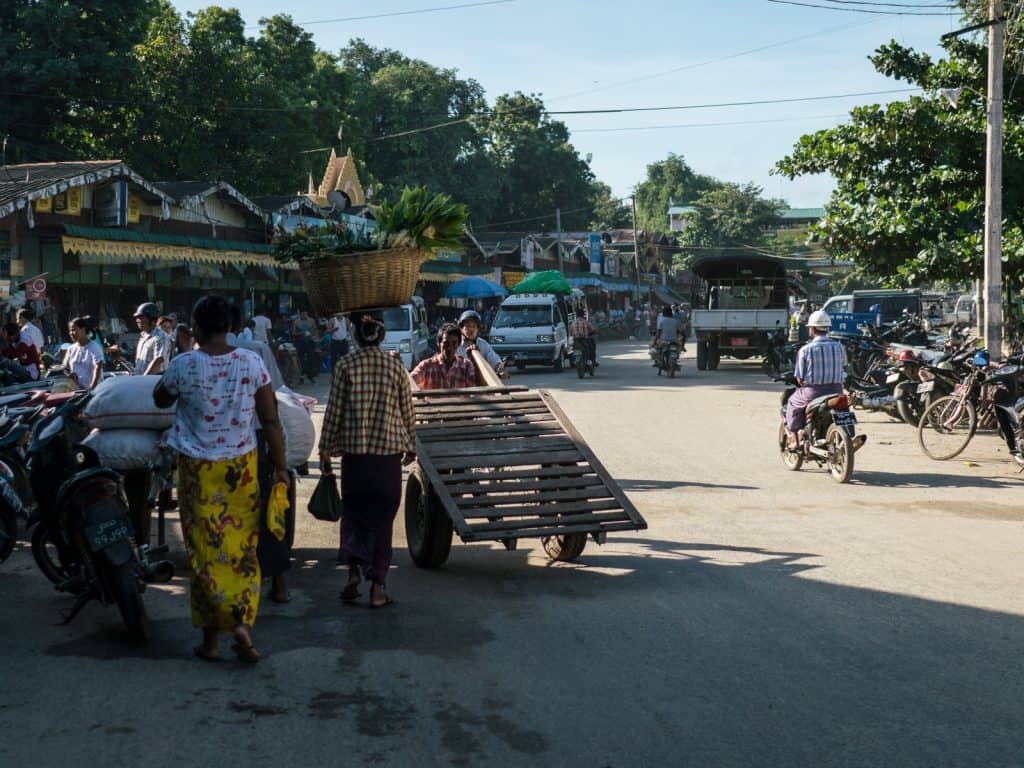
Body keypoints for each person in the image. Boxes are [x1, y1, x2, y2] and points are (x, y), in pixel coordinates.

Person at [153, 295, 287, 664]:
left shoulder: (183, 365)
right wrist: (281, 466)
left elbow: (160, 398)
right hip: (240, 469)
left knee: (204, 554)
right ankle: (240, 624)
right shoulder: (251, 361)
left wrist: (181, 353)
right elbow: (271, 420)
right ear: (229, 326)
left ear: (195, 328)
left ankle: (212, 641)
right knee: (241, 550)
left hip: (197, 472)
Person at [319, 314, 416, 609]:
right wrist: (410, 444)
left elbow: (334, 411)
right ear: (382, 336)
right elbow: (406, 410)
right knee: (383, 523)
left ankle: (352, 575)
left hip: (355, 460)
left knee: (354, 516)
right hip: (387, 460)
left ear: (356, 337)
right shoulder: (395, 366)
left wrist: (324, 449)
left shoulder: (345, 366)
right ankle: (377, 588)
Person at [785, 310, 847, 449]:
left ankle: (794, 439)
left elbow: (800, 379)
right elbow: (844, 367)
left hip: (814, 393)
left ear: (812, 329)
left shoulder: (806, 350)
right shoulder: (839, 347)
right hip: (837, 390)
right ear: (827, 328)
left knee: (792, 403)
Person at [412, 323, 477, 390]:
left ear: (459, 344)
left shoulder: (466, 365)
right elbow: (410, 382)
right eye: (446, 343)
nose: (450, 348)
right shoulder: (426, 366)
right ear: (438, 343)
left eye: (454, 343)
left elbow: (476, 387)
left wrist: (476, 361)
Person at [457, 310, 507, 379]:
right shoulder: (456, 344)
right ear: (461, 328)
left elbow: (493, 358)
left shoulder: (483, 344)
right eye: (467, 326)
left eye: (474, 326)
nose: (471, 329)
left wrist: (500, 369)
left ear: (478, 329)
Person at [65, 316, 104, 390]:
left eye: (73, 330)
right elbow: (66, 368)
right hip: (78, 391)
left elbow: (98, 367)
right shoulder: (71, 349)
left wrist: (92, 388)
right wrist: (70, 374)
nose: (71, 333)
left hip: (95, 391)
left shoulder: (94, 347)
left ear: (83, 329)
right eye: (70, 331)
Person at [133, 302, 170, 375]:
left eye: (141, 317)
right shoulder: (143, 336)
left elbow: (158, 360)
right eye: (137, 318)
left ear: (152, 320)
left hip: (153, 382)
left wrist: (144, 379)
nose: (138, 320)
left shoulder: (160, 336)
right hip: (141, 380)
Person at [16, 308, 44, 379]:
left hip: (29, 364)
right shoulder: (36, 329)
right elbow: (42, 347)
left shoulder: (24, 330)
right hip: (39, 362)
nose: (17, 321)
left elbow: (23, 350)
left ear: (22, 318)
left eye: (18, 319)